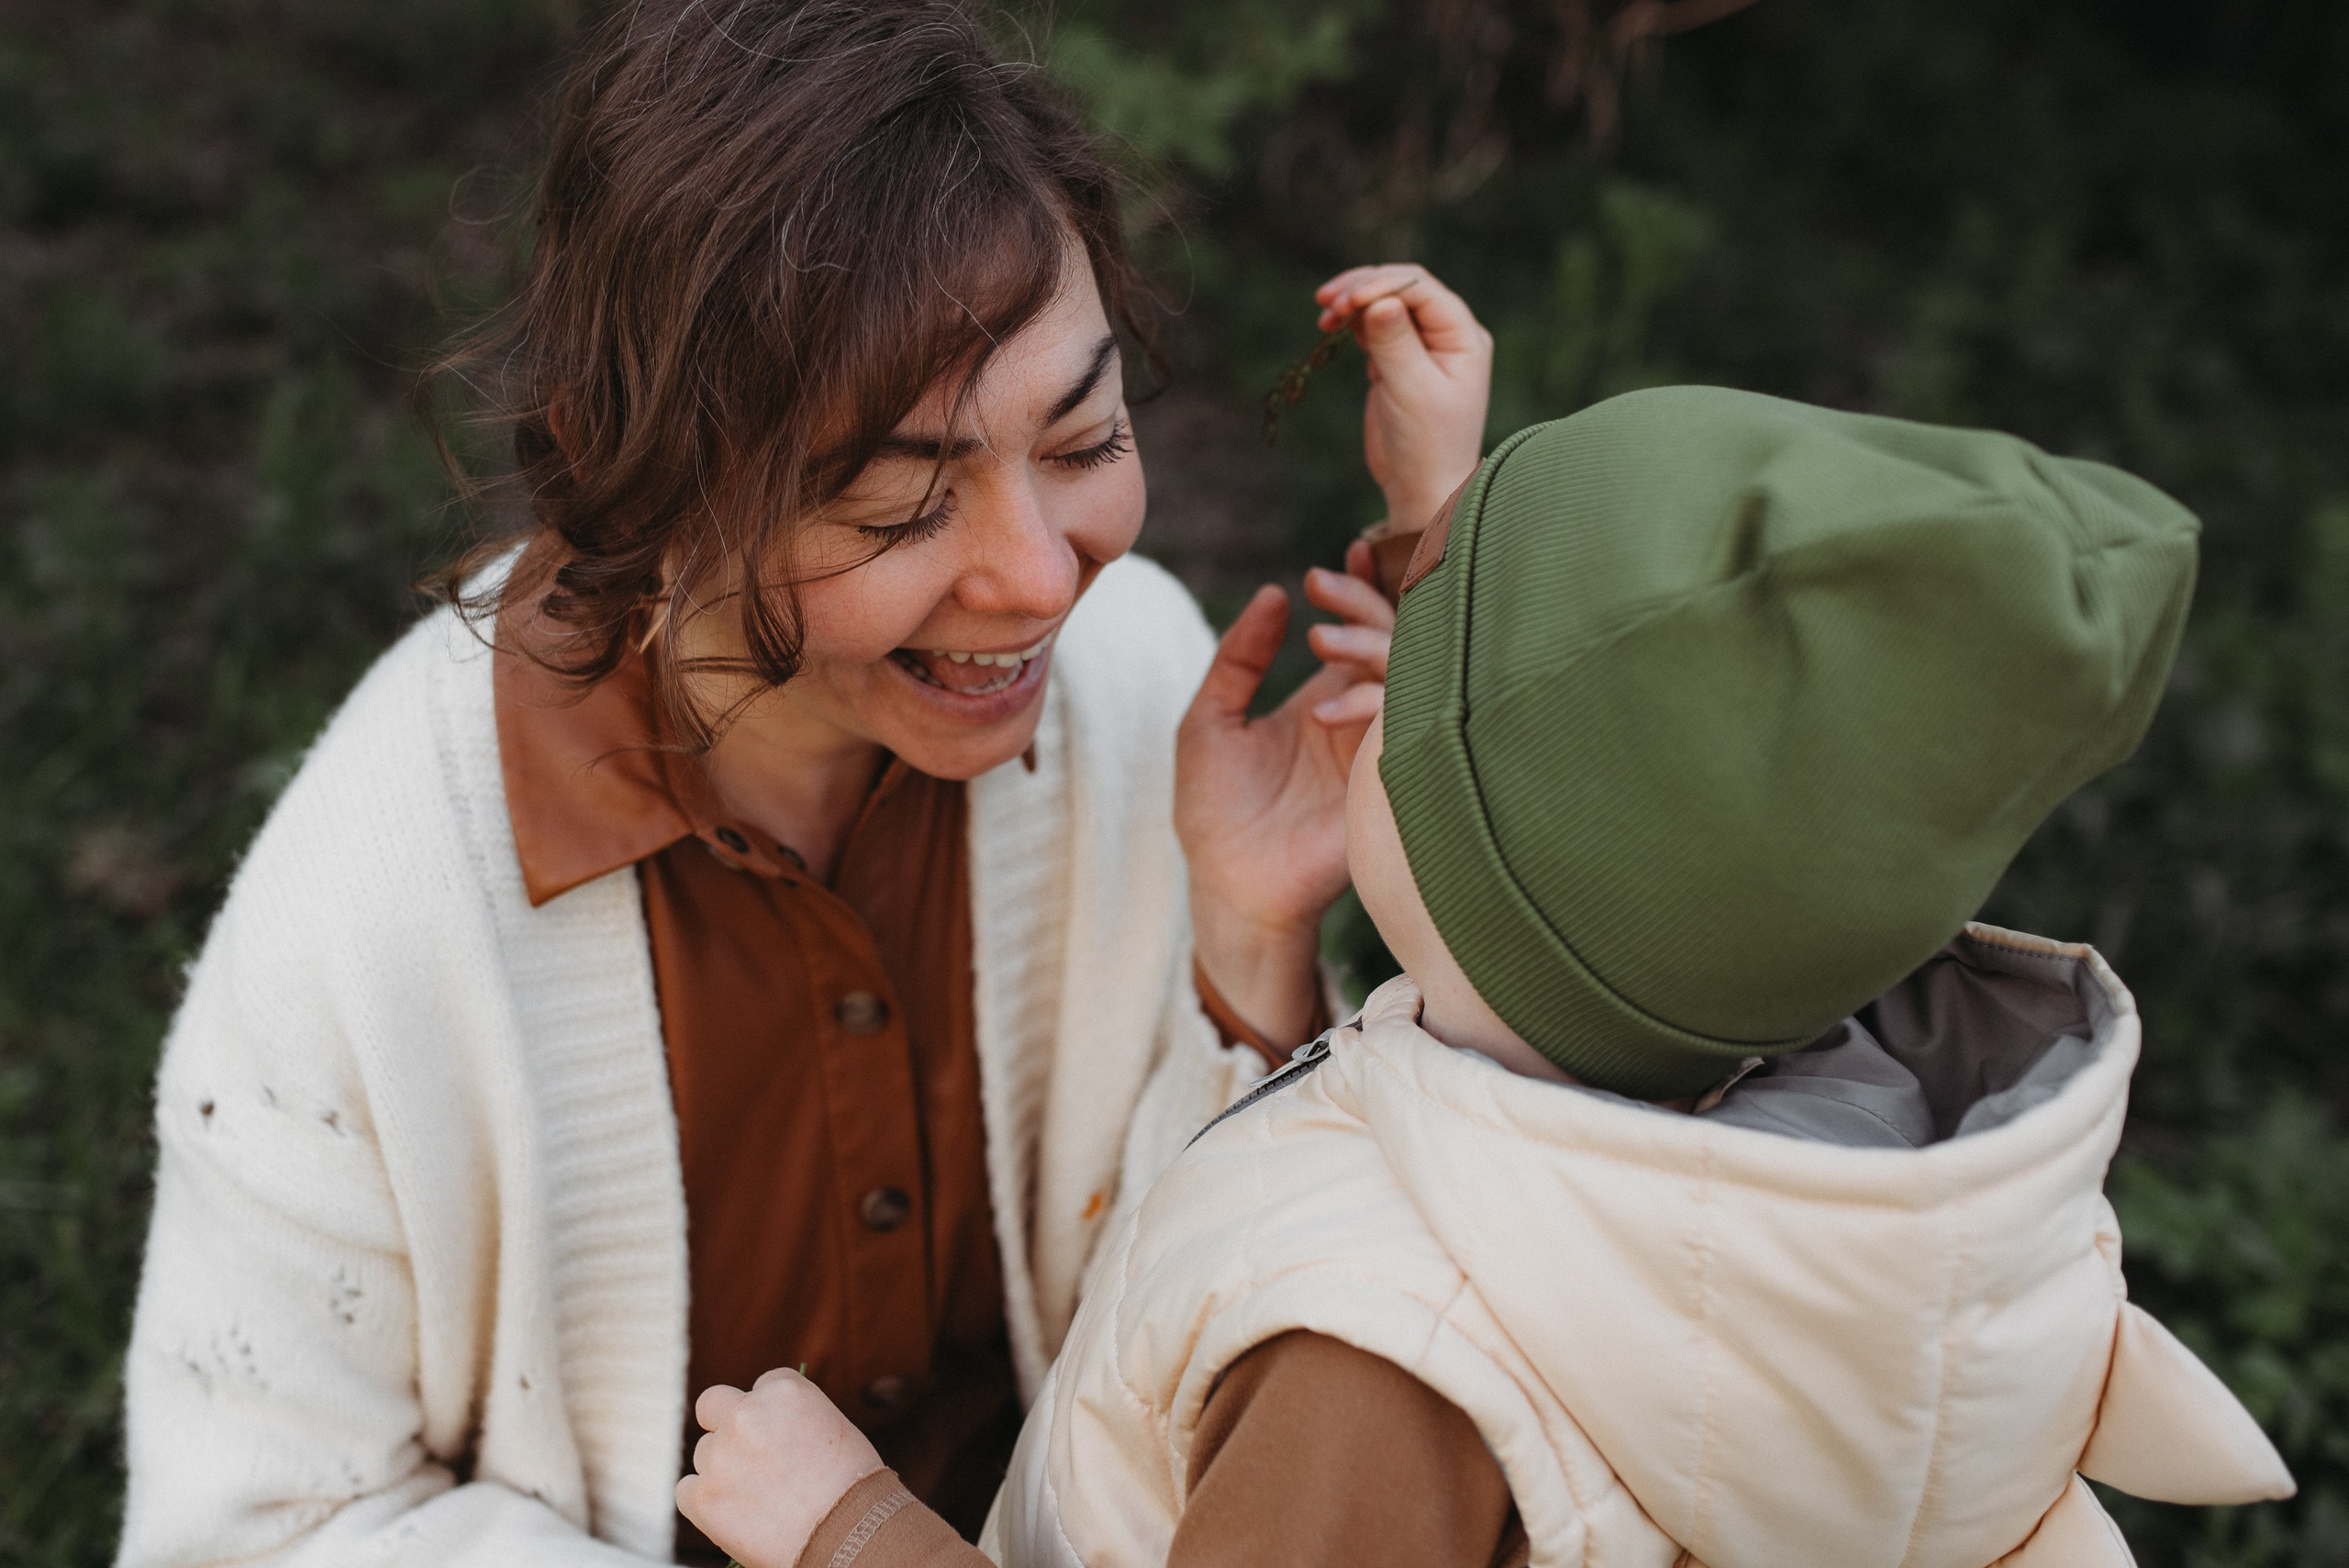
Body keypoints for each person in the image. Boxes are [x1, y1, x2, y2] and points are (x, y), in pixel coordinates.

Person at [111, 3, 1492, 1564]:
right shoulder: (368, 901)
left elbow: (1226, 1341)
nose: (1041, 579)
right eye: (904, 507)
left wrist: (1245, 947)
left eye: (1085, 434)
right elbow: (262, 1526)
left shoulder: (1137, 688)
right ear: (632, 466)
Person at [676, 388, 2299, 1568]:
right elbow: (1617, 778)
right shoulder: (1849, 1177)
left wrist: (853, 1528)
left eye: (1418, 671)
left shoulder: (1378, 1363)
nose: (1373, 671)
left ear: (1494, 853)